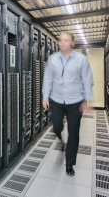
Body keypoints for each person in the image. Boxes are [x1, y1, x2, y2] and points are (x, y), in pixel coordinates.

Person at [42, 32, 93, 176]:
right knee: (56, 126)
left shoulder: (81, 59)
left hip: (75, 102)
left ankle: (69, 164)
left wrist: (86, 100)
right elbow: (47, 79)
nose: (62, 42)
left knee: (73, 133)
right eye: (60, 40)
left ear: (72, 43)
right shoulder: (52, 59)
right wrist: (45, 97)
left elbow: (87, 79)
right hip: (57, 100)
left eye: (66, 40)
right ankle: (60, 140)